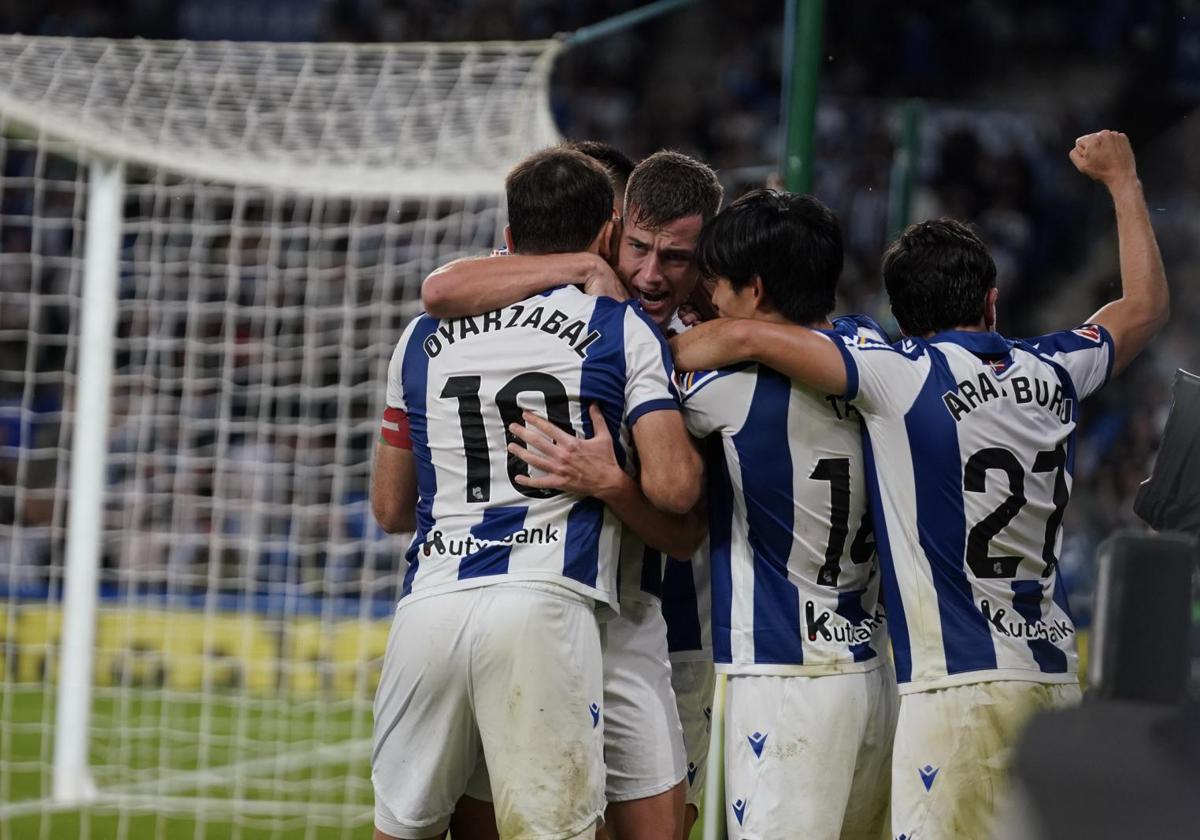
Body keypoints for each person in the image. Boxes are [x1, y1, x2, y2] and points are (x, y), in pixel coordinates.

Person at [668, 130, 1169, 839]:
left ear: (903, 318)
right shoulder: (1051, 369)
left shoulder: (898, 377)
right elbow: (1144, 307)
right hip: (1049, 680)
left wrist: (678, 345)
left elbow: (752, 342)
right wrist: (1124, 182)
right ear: (992, 304)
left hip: (942, 694)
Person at [370, 146, 701, 840]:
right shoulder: (621, 330)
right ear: (609, 232)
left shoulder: (424, 336)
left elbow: (390, 509)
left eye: (670, 255)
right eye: (634, 246)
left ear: (512, 235)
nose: (648, 270)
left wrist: (610, 482)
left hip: (446, 598)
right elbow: (679, 494)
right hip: (555, 602)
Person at [676, 189, 896, 837]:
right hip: (873, 671)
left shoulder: (723, 394)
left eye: (719, 284)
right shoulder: (871, 352)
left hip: (783, 679)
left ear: (756, 290)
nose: (709, 299)